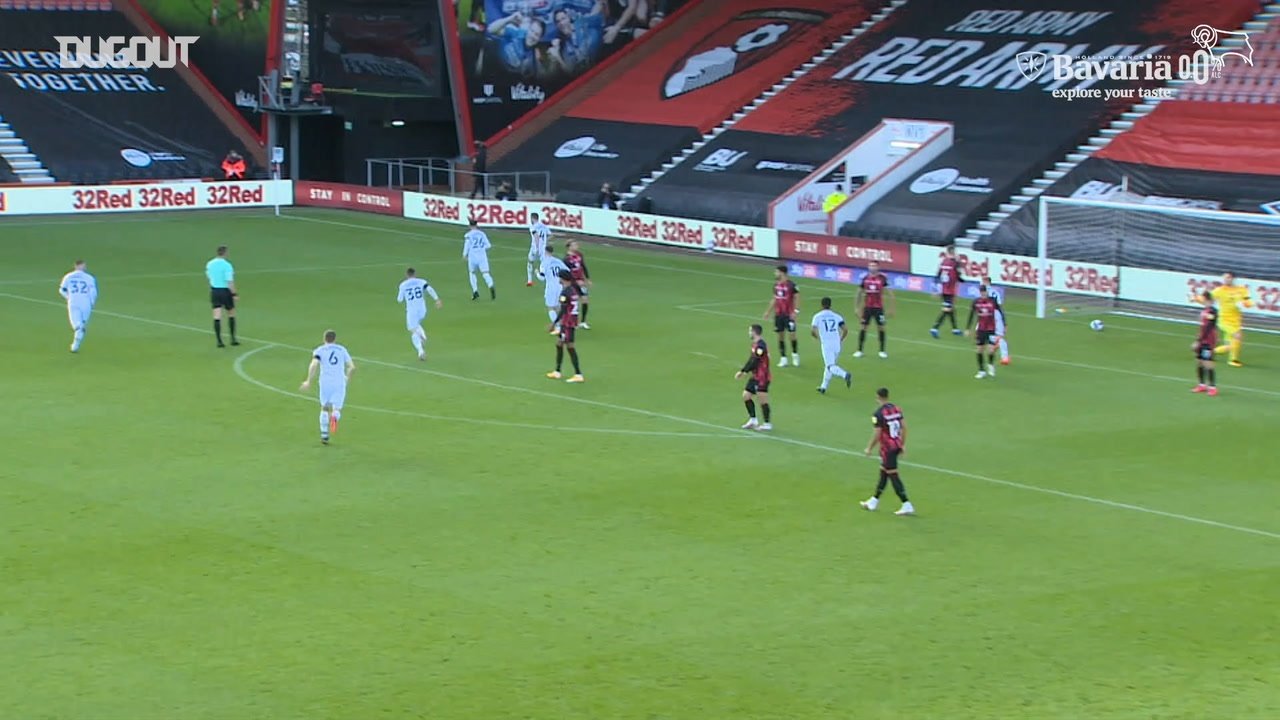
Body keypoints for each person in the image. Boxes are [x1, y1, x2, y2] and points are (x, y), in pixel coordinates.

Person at [860, 387, 914, 516]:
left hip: (888, 449)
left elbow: (877, 434)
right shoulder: (896, 409)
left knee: (893, 475)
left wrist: (869, 448)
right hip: (896, 445)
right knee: (884, 473)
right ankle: (873, 501)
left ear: (878, 397)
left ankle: (906, 504)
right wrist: (902, 444)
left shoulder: (878, 414)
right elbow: (904, 428)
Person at [299, 329, 355, 445]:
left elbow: (314, 364)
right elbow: (352, 367)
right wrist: (347, 379)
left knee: (324, 407)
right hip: (339, 381)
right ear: (334, 339)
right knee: (337, 408)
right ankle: (334, 417)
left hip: (325, 382)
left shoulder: (320, 350)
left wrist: (308, 381)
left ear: (324, 339)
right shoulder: (341, 349)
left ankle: (324, 435)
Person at [1194, 273, 1254, 367]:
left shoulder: (1241, 289)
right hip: (1224, 319)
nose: (1226, 280)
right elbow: (1207, 298)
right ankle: (1233, 360)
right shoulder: (1220, 290)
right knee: (1237, 335)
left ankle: (1208, 352)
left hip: (1236, 320)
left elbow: (1247, 300)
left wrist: (1248, 304)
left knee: (1230, 345)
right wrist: (1196, 298)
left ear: (1233, 278)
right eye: (1224, 278)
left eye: (1228, 278)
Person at [396, 267, 442, 361]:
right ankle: (421, 336)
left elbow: (399, 300)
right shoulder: (421, 281)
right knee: (416, 326)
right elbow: (430, 289)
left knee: (412, 330)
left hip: (412, 311)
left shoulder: (403, 285)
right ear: (415, 274)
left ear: (407, 275)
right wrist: (437, 299)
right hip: (422, 310)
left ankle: (421, 350)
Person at [734, 324, 773, 431]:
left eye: (750, 331)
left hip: (762, 377)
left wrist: (744, 372)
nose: (749, 333)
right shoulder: (755, 344)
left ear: (755, 332)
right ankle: (753, 419)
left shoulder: (761, 346)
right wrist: (743, 371)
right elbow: (751, 359)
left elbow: (755, 361)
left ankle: (767, 423)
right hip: (755, 376)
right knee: (746, 395)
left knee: (762, 400)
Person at [547, 274, 585, 383]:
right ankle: (557, 371)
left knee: (570, 347)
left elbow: (563, 310)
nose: (558, 279)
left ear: (563, 279)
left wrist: (554, 324)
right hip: (571, 322)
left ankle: (578, 374)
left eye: (559, 277)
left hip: (567, 323)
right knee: (559, 343)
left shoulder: (565, 292)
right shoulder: (573, 290)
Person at [811, 297, 852, 394]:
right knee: (829, 365)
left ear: (821, 305)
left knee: (830, 366)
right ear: (830, 305)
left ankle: (845, 374)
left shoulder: (817, 316)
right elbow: (845, 330)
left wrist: (819, 338)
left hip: (827, 344)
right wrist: (840, 339)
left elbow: (813, 331)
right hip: (837, 344)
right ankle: (823, 387)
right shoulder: (836, 316)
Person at [854, 261, 894, 358]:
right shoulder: (865, 278)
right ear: (868, 267)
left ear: (878, 267)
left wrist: (891, 308)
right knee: (863, 327)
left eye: (874, 265)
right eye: (870, 265)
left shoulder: (882, 278)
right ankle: (859, 350)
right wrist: (856, 307)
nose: (872, 267)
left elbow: (890, 293)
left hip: (878, 308)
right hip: (867, 308)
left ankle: (882, 351)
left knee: (881, 328)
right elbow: (859, 293)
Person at [58, 259, 97, 353]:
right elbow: (93, 291)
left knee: (76, 324)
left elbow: (61, 290)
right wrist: (92, 302)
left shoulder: (68, 276)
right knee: (82, 324)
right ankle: (75, 346)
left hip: (73, 301)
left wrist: (68, 297)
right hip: (85, 302)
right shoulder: (89, 278)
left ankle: (75, 346)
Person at [764, 264, 800, 367]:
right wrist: (768, 311)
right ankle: (783, 358)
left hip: (789, 315)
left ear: (782, 273)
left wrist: (796, 311)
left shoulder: (792, 285)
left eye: (776, 272)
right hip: (779, 315)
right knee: (780, 336)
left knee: (792, 335)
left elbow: (797, 298)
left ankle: (795, 355)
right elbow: (774, 299)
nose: (775, 274)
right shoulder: (776, 285)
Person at [206, 245, 239, 348]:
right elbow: (229, 281)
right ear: (225, 253)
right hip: (225, 291)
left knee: (217, 316)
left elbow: (209, 277)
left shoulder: (210, 264)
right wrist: (234, 294)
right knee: (231, 313)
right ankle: (233, 339)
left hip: (215, 290)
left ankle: (219, 341)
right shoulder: (227, 265)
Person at [965, 285, 1000, 379]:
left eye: (984, 291)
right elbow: (971, 315)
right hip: (981, 329)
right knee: (979, 350)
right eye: (982, 292)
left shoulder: (992, 301)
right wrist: (968, 328)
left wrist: (1004, 325)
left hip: (991, 329)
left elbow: (1000, 312)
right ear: (980, 292)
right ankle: (981, 370)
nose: (983, 293)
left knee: (991, 349)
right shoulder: (976, 302)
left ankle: (991, 365)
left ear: (986, 292)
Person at [930, 245, 963, 337]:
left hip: (943, 289)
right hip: (950, 290)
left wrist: (935, 289)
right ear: (953, 252)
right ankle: (935, 328)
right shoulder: (955, 263)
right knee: (947, 310)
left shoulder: (943, 262)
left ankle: (955, 329)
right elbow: (958, 275)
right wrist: (963, 281)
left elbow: (937, 275)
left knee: (951, 309)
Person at [1191, 290, 1220, 396]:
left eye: (1202, 298)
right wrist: (1198, 338)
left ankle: (1212, 387)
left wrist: (1199, 340)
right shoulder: (1205, 310)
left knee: (1208, 363)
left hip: (1208, 340)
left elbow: (1209, 327)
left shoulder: (1212, 311)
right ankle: (1202, 385)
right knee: (1199, 361)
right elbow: (1203, 326)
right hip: (1202, 338)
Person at [539, 244, 571, 331]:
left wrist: (536, 273)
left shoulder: (544, 262)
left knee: (550, 307)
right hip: (560, 286)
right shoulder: (558, 261)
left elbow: (542, 278)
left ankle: (557, 326)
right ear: (552, 252)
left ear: (545, 252)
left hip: (551, 287)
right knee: (558, 306)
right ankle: (564, 324)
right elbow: (568, 271)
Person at [462, 219, 496, 301]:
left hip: (472, 257)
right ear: (477, 225)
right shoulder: (482, 234)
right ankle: (490, 285)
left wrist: (464, 255)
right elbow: (488, 245)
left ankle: (475, 291)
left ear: (469, 226)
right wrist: (481, 248)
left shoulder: (468, 235)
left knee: (472, 273)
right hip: (482, 257)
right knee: (485, 273)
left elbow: (467, 245)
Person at [982, 275, 1011, 365]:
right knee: (996, 336)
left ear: (987, 282)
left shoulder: (984, 292)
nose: (982, 282)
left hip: (990, 315)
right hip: (994, 315)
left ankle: (1004, 356)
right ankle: (1004, 355)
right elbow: (999, 307)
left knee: (995, 336)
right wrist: (1004, 322)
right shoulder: (996, 293)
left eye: (983, 281)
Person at [565, 239, 592, 329]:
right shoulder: (566, 259)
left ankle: (583, 322)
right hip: (573, 283)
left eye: (577, 244)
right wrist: (575, 281)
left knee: (585, 300)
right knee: (573, 303)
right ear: (569, 247)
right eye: (574, 245)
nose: (577, 246)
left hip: (581, 282)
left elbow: (583, 266)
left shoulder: (579, 255)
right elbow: (567, 273)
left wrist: (587, 279)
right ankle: (572, 322)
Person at [527, 212, 552, 287]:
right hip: (544, 249)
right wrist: (545, 241)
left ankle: (530, 280)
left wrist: (537, 248)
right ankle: (548, 280)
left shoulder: (532, 226)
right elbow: (551, 235)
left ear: (532, 218)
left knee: (530, 262)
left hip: (535, 248)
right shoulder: (544, 226)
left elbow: (536, 236)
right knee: (544, 265)